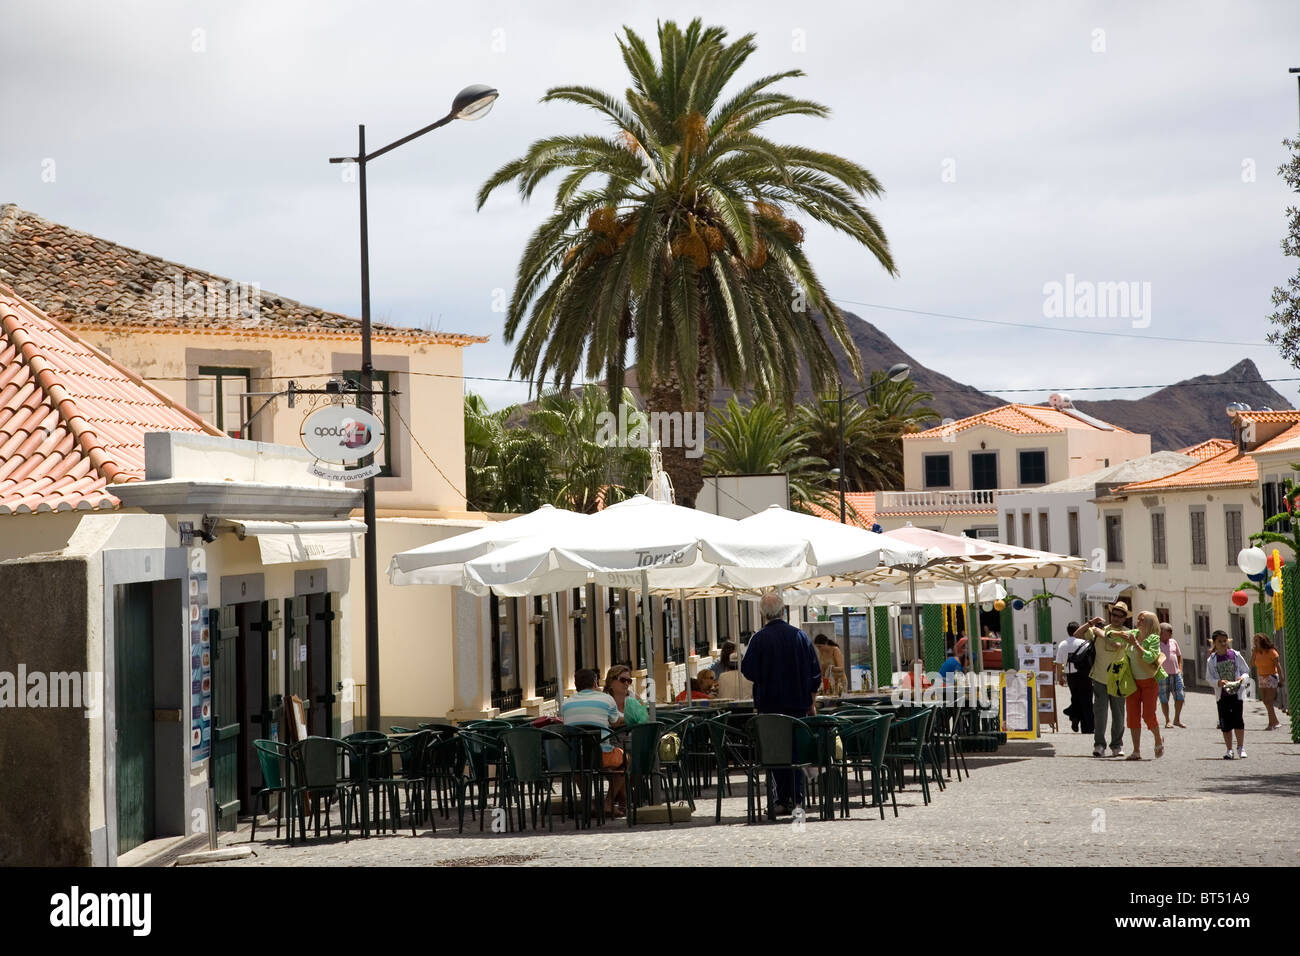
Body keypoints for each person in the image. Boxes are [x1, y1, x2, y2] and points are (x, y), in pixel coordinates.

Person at [740, 590, 823, 817]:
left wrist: (766, 674)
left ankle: (780, 799)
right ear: (784, 610)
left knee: (776, 754)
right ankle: (797, 799)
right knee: (796, 754)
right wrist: (812, 700)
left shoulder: (758, 639)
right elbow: (815, 673)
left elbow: (748, 670)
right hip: (798, 705)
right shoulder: (800, 637)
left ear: (762, 614)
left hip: (770, 707)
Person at [562, 668, 626, 815]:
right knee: (626, 761)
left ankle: (587, 803)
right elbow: (615, 722)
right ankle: (608, 803)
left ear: (576, 685)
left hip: (577, 757)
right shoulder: (606, 699)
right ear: (595, 682)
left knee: (579, 768)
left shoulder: (566, 704)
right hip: (601, 755)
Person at [1076, 601, 1132, 757]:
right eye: (1114, 615)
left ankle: (1117, 745)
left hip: (1119, 680)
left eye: (1120, 616)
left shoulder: (1128, 634)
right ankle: (1099, 744)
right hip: (1100, 677)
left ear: (1124, 619)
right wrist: (1091, 622)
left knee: (1119, 714)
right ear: (1110, 615)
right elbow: (1077, 635)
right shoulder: (1100, 630)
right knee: (1100, 714)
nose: (1116, 618)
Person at [1117, 611, 1167, 760]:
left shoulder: (1153, 638)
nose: (1138, 621)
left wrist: (1136, 644)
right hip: (1132, 681)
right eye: (1138, 619)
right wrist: (1109, 633)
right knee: (1132, 716)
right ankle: (1136, 750)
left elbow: (1150, 657)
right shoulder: (1133, 633)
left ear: (1150, 623)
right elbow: (1114, 635)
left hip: (1149, 681)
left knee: (1148, 715)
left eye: (1142, 620)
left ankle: (1158, 738)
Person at [1207, 630, 1250, 759]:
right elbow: (1209, 678)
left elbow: (1245, 671)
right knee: (1225, 723)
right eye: (1219, 641)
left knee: (1238, 720)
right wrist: (1218, 682)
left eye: (1225, 641)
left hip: (1236, 694)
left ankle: (1241, 747)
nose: (1223, 643)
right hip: (1222, 696)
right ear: (1214, 643)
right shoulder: (1212, 660)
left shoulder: (1235, 655)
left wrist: (1242, 678)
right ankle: (1229, 749)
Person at [1055, 621, 1093, 734]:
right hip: (1084, 674)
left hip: (1070, 675)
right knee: (1086, 700)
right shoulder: (1084, 643)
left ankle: (1074, 715)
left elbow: (1058, 663)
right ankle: (1087, 727)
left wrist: (1060, 677)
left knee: (1075, 697)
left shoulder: (1062, 644)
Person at [1158, 623, 1186, 729]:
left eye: (1171, 633)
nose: (1170, 635)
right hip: (1162, 675)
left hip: (1176, 674)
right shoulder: (1156, 644)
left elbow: (1179, 655)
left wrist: (1180, 669)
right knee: (1164, 698)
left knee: (1180, 696)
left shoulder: (1173, 642)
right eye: (1168, 633)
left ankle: (1177, 719)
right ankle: (1167, 720)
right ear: (1161, 633)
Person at [1252, 633, 1282, 730]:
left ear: (1262, 641)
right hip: (1261, 677)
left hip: (1271, 676)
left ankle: (1271, 723)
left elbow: (1278, 665)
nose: (1255, 642)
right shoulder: (1257, 652)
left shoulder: (1271, 651)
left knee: (1269, 700)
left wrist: (1281, 678)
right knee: (1265, 701)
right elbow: (1252, 664)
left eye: (1257, 640)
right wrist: (1253, 653)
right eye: (1254, 640)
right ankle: (1275, 721)